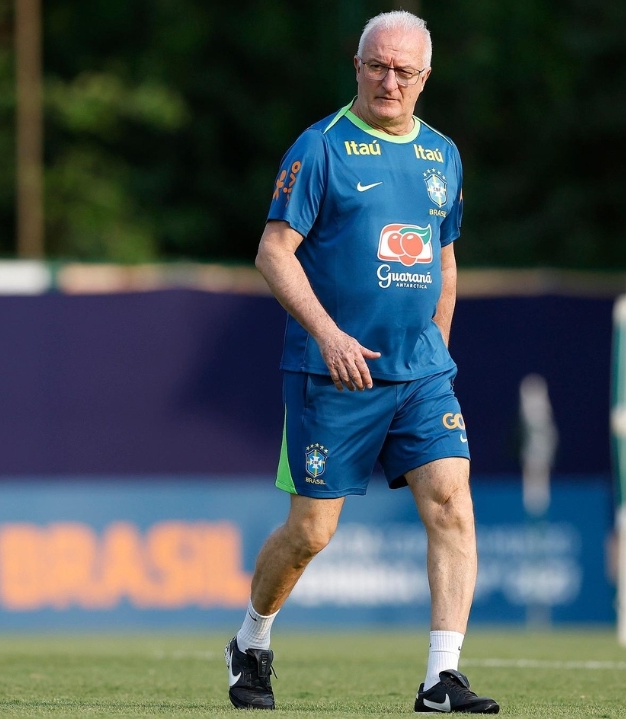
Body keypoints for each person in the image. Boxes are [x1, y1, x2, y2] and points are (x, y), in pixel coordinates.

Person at [224, 10, 499, 714]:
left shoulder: (443, 155)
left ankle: (441, 678)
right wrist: (329, 335)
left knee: (452, 504)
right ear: (357, 65)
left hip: (421, 374)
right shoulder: (320, 147)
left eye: (404, 70)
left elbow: (444, 258)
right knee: (311, 533)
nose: (389, 80)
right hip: (332, 373)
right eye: (377, 65)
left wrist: (438, 346)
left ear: (425, 77)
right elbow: (273, 252)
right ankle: (251, 640)